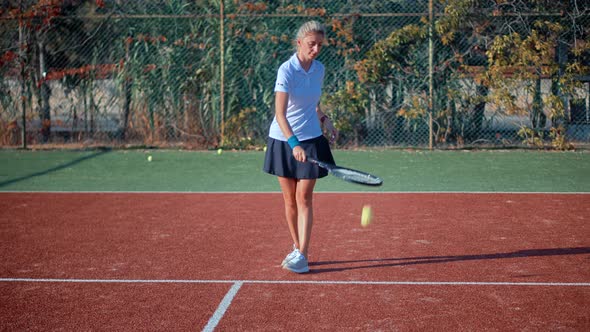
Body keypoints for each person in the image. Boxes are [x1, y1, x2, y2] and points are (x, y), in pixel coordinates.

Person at [263, 21, 338, 274]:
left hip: (312, 139)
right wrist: (294, 143)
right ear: (299, 43)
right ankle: (297, 248)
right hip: (284, 140)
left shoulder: (319, 69)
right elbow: (280, 114)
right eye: (311, 44)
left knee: (304, 197)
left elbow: (313, 104)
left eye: (319, 45)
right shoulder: (286, 71)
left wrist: (325, 120)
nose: (316, 49)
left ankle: (303, 255)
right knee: (290, 201)